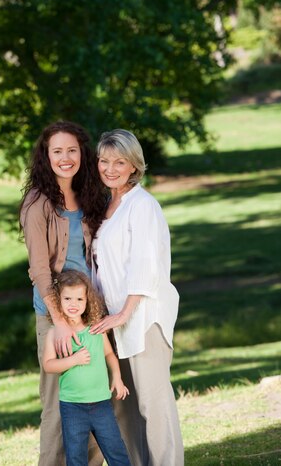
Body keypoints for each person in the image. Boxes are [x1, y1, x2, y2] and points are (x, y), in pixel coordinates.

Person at [90, 129, 184, 466]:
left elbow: (145, 266)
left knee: (153, 406)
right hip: (115, 321)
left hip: (143, 318)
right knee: (125, 407)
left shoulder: (143, 205)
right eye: (104, 161)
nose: (110, 168)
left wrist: (123, 313)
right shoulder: (108, 205)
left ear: (134, 166)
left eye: (119, 162)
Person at [19, 121, 106, 466]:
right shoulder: (37, 204)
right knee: (59, 405)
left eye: (72, 150)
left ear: (82, 154)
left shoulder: (89, 194)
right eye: (57, 151)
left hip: (91, 312)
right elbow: (39, 270)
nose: (65, 158)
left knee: (98, 400)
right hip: (56, 316)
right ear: (46, 156)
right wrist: (60, 322)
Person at [43, 270, 132, 466]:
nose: (73, 304)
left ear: (87, 301)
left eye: (79, 299)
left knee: (116, 453)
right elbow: (48, 365)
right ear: (58, 301)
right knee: (76, 458)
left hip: (101, 405)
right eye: (67, 298)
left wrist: (116, 377)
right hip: (72, 407)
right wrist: (73, 360)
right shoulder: (55, 334)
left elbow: (109, 354)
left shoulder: (95, 328)